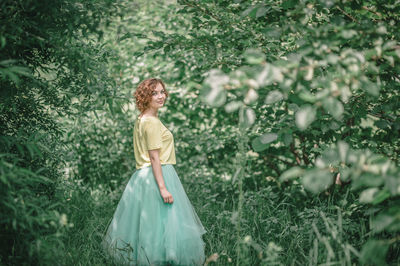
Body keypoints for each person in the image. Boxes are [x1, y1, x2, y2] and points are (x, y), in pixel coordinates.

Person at [102, 78, 206, 265]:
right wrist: (163, 187)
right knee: (163, 222)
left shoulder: (142, 118)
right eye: (154, 93)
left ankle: (149, 258)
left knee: (148, 224)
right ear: (145, 97)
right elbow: (154, 157)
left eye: (162, 91)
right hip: (158, 173)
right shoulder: (151, 122)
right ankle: (159, 259)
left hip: (142, 176)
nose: (161, 96)